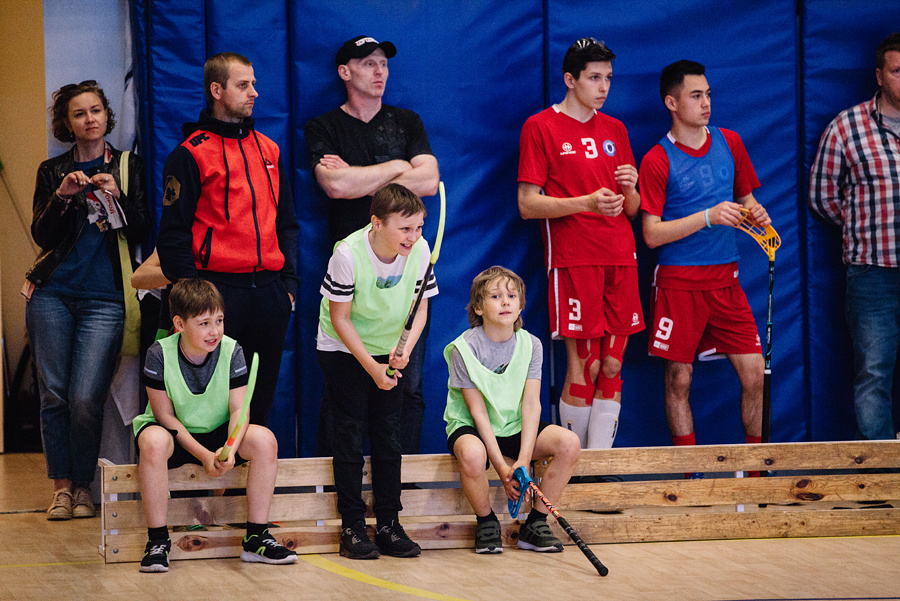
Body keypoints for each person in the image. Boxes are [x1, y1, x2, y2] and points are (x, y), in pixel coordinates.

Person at [306, 35, 439, 455]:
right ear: (345, 72)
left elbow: (429, 181)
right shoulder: (324, 126)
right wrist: (399, 168)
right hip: (353, 273)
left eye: (383, 63)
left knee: (407, 383)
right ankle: (335, 489)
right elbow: (335, 185)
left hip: (404, 271)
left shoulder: (407, 122)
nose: (379, 71)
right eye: (367, 63)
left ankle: (403, 487)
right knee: (344, 390)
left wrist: (359, 178)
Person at [25, 80, 150, 520]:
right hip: (52, 294)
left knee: (84, 397)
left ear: (106, 115)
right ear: (67, 123)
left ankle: (84, 484)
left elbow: (144, 231)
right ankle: (64, 488)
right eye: (79, 114)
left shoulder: (131, 166)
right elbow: (42, 237)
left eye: (95, 110)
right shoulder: (51, 170)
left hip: (106, 298)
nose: (89, 119)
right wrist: (62, 196)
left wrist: (116, 195)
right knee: (53, 395)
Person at [156, 52, 299, 427]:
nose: (254, 92)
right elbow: (172, 235)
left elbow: (286, 223)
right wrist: (195, 297)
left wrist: (289, 287)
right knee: (213, 402)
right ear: (216, 90)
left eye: (253, 84)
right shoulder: (190, 154)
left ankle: (250, 481)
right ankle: (207, 482)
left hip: (270, 293)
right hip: (216, 294)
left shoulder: (269, 149)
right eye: (243, 85)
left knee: (259, 398)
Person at [640, 60, 770, 465]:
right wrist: (708, 217)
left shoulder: (730, 142)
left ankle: (754, 474)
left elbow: (746, 199)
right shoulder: (657, 159)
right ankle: (689, 478)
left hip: (726, 280)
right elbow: (651, 234)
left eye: (708, 94)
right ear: (672, 102)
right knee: (679, 379)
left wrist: (756, 212)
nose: (706, 102)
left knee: (755, 374)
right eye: (696, 96)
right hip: (679, 282)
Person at [517, 38, 643, 450]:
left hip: (621, 256)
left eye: (608, 77)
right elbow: (527, 204)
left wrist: (632, 189)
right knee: (585, 365)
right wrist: (586, 202)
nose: (603, 86)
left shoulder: (616, 129)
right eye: (594, 78)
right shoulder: (541, 126)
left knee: (612, 365)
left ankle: (599, 468)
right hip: (575, 257)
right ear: (570, 80)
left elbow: (633, 210)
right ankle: (573, 471)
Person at [133, 279, 297, 572]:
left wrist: (230, 448)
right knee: (153, 442)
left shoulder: (232, 350)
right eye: (205, 323)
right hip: (177, 434)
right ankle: (158, 541)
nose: (215, 331)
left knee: (264, 441)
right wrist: (204, 456)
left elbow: (239, 408)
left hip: (218, 433)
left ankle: (255, 538)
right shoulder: (158, 353)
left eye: (219, 320)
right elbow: (165, 418)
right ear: (180, 324)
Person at [317, 183, 437, 559]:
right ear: (377, 223)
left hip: (388, 348)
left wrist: (403, 351)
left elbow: (421, 308)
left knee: (389, 435)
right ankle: (352, 526)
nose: (414, 236)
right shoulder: (347, 254)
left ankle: (388, 523)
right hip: (344, 346)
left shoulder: (419, 250)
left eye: (418, 227)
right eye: (405, 228)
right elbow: (340, 319)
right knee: (350, 433)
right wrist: (371, 367)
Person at [444, 266, 581, 554]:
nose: (505, 301)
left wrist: (522, 459)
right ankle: (486, 522)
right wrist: (502, 467)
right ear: (479, 307)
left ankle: (536, 523)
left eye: (511, 295)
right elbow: (478, 413)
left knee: (569, 443)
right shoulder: (462, 349)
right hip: (474, 427)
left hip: (515, 426)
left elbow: (531, 404)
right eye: (495, 296)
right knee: (471, 452)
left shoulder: (532, 345)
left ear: (521, 304)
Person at [809, 33, 900, 441]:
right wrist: (864, 226)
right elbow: (822, 195)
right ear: (880, 75)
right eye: (898, 71)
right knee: (874, 371)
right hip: (873, 274)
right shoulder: (847, 127)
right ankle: (883, 481)